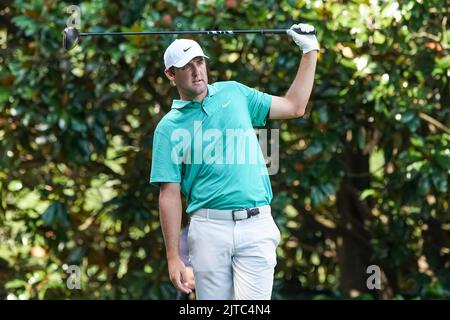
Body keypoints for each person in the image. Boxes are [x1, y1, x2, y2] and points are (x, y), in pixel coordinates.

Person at [150, 23, 319, 300]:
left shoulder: (235, 93)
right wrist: (172, 258)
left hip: (256, 224)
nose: (197, 71)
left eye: (200, 62)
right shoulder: (168, 128)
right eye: (187, 66)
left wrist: (309, 50)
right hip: (208, 228)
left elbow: (294, 107)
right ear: (171, 74)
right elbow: (168, 195)